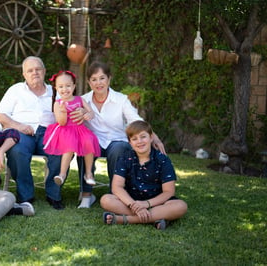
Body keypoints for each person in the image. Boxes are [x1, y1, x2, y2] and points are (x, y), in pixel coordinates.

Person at [74, 61, 166, 208]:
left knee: (119, 149)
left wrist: (156, 138)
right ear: (89, 82)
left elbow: (136, 121)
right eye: (94, 79)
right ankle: (86, 195)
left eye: (102, 78)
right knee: (83, 146)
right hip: (93, 141)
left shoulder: (121, 99)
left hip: (116, 140)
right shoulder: (82, 100)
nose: (99, 83)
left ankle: (114, 194)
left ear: (109, 79)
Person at [0, 56, 66, 210]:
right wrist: (17, 126)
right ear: (24, 74)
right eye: (30, 70)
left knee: (61, 150)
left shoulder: (55, 91)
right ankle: (26, 196)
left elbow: (67, 112)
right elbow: (0, 115)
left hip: (48, 133)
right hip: (21, 133)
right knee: (18, 151)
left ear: (44, 71)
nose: (35, 73)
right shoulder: (15, 90)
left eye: (38, 69)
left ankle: (54, 194)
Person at [100, 120, 187, 229]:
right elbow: (117, 187)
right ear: (130, 143)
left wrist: (146, 204)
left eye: (143, 137)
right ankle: (156, 218)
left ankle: (124, 219)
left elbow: (169, 192)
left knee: (180, 206)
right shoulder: (125, 158)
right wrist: (134, 205)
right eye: (134, 139)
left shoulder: (162, 160)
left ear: (151, 138)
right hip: (131, 201)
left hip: (157, 202)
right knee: (106, 200)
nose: (139, 141)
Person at [43, 70, 100, 186]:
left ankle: (88, 173)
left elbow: (91, 112)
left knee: (89, 141)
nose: (65, 89)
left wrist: (88, 114)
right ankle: (62, 174)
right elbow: (62, 122)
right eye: (61, 86)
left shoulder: (80, 100)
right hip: (65, 130)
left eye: (68, 86)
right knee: (69, 146)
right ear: (56, 88)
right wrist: (63, 112)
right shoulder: (57, 103)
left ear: (74, 86)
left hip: (79, 129)